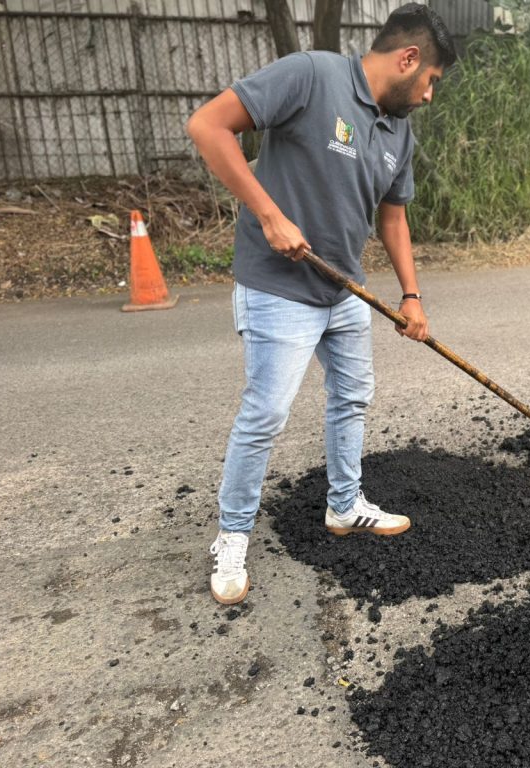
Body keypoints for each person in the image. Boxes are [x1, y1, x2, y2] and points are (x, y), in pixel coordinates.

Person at [186, 4, 457, 605]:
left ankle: (345, 504)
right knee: (265, 415)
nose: (429, 95)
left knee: (353, 396)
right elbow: (207, 125)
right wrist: (269, 214)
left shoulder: (398, 130)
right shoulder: (311, 75)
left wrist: (412, 297)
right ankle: (232, 536)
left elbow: (393, 218)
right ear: (409, 59)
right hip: (278, 288)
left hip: (344, 289)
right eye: (432, 80)